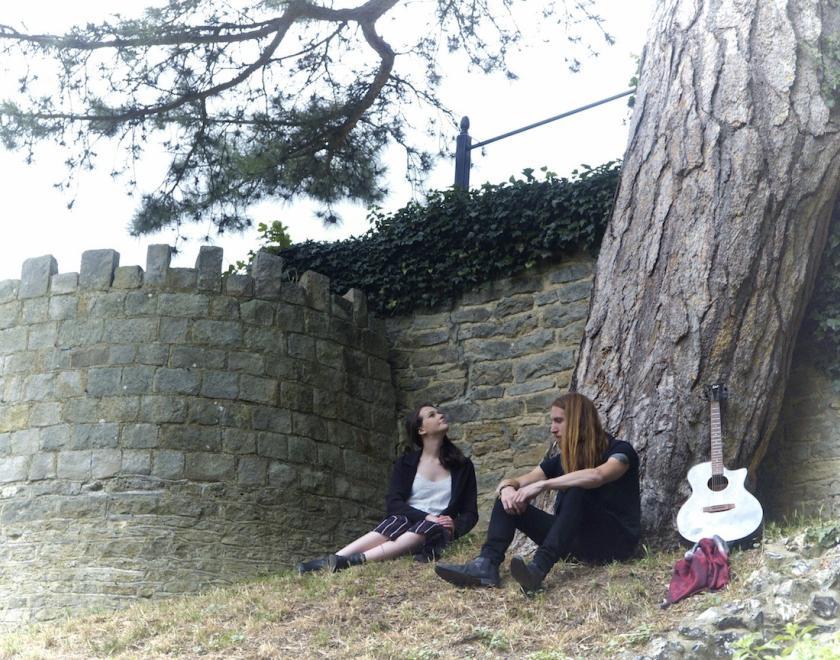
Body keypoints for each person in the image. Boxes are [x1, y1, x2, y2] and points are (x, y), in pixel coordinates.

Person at [434, 392, 640, 593]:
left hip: (614, 543)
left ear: (579, 421)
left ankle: (537, 569)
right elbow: (515, 481)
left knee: (578, 487)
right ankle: (485, 565)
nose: (553, 429)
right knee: (507, 500)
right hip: (577, 544)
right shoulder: (560, 461)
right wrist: (507, 489)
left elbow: (597, 476)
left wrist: (544, 485)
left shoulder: (620, 451)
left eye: (559, 421)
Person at [296, 404, 478, 574]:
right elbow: (394, 503)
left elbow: (471, 512)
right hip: (406, 520)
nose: (440, 415)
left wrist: (455, 526)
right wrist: (425, 515)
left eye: (438, 413)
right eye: (432, 414)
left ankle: (354, 561)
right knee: (398, 520)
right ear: (421, 429)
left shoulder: (462, 466)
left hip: (437, 529)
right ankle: (333, 559)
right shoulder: (405, 463)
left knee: (429, 525)